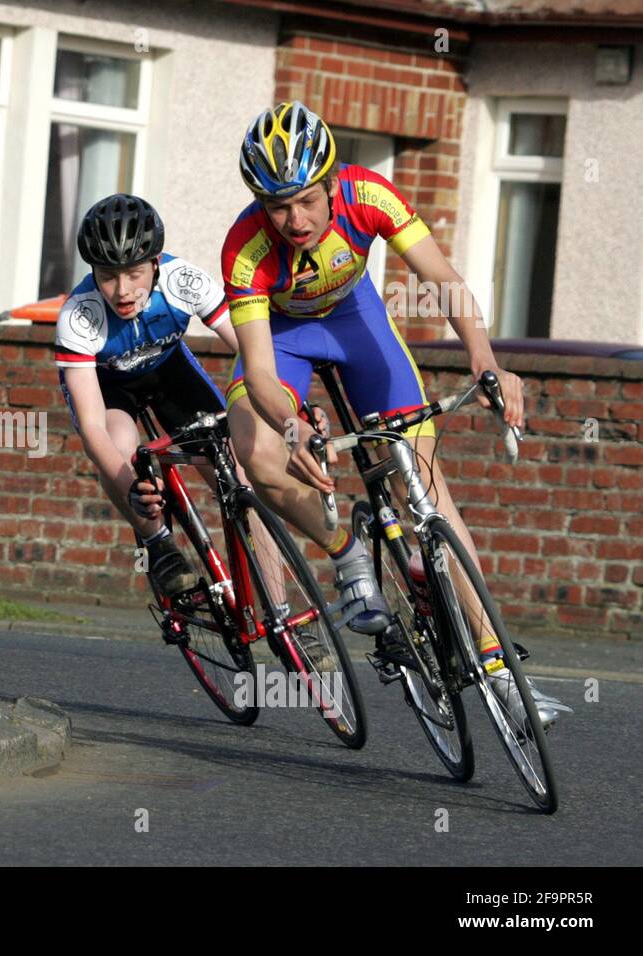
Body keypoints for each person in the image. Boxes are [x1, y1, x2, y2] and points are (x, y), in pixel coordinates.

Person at [223, 101, 569, 728]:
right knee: (256, 452)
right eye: (278, 206)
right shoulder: (245, 249)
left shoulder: (369, 195)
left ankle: (500, 668)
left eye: (306, 200)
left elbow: (442, 278)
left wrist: (485, 362)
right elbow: (260, 372)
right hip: (283, 339)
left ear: (331, 184)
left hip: (356, 322)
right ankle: (347, 548)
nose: (294, 220)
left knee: (424, 488)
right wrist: (292, 423)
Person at [54, 193, 242, 599]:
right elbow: (92, 430)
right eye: (107, 275)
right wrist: (132, 489)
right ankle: (158, 542)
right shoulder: (79, 315)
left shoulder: (182, 281)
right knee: (120, 445)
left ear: (156, 263)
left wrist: (279, 408)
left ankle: (277, 609)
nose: (122, 290)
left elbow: (251, 352)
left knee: (239, 481)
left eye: (135, 273)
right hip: (110, 385)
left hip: (169, 371)